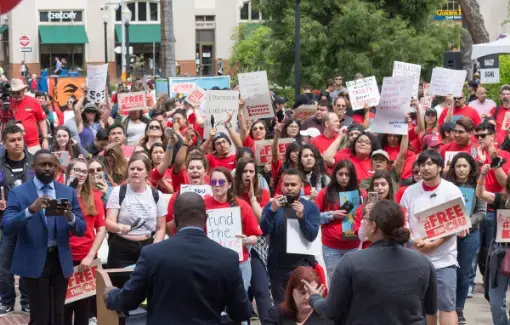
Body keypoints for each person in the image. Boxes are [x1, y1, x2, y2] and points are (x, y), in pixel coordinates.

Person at [104, 192, 252, 325]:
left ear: (174, 220)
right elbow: (241, 312)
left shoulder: (152, 254)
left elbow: (128, 300)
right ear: (206, 219)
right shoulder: (228, 258)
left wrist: (110, 295)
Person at [302, 200, 438, 325]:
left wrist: (315, 298)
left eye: (365, 219)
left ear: (373, 226)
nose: (363, 223)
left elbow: (330, 311)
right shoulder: (423, 262)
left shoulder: (351, 262)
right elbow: (431, 312)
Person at [2, 149, 86, 325]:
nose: (47, 168)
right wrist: (29, 211)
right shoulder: (20, 192)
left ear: (56, 167)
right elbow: (7, 226)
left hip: (60, 259)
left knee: (59, 314)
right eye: (42, 164)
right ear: (33, 167)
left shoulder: (67, 192)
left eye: (51, 165)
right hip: (34, 259)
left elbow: (81, 228)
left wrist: (70, 217)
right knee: (41, 315)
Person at [400, 150, 464, 325]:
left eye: (430, 164)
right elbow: (403, 220)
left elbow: (456, 224)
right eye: (422, 164)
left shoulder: (452, 191)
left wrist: (435, 243)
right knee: (423, 308)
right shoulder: (409, 192)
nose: (425, 168)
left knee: (447, 306)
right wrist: (413, 240)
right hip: (416, 257)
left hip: (444, 259)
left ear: (440, 167)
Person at [260, 168, 320, 305]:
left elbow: (312, 236)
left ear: (300, 186)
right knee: (282, 309)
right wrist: (271, 211)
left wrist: (302, 218)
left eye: (293, 184)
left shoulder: (310, 207)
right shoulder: (272, 206)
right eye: (286, 184)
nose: (289, 188)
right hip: (278, 269)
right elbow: (263, 231)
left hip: (303, 268)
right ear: (281, 186)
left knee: (304, 307)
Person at [105, 154, 167, 272]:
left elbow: (161, 228)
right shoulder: (118, 191)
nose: (135, 172)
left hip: (147, 246)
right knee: (119, 286)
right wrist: (119, 227)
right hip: (121, 248)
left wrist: (155, 247)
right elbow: (108, 222)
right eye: (132, 169)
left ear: (147, 173)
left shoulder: (156, 195)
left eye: (139, 169)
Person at [444, 152, 486, 324]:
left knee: (463, 273)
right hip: (448, 234)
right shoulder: (446, 186)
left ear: (471, 168)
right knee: (448, 272)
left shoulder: (477, 186)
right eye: (458, 166)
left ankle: (459, 309)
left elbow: (481, 212)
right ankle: (447, 306)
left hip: (470, 234)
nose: (461, 169)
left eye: (464, 166)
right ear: (453, 168)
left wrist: (467, 223)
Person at [64, 158, 106, 325]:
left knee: (83, 309)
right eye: (76, 170)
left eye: (84, 171)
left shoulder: (95, 197)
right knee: (64, 307)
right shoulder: (61, 195)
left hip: (86, 259)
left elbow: (101, 229)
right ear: (69, 172)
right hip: (63, 257)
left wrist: (90, 256)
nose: (80, 174)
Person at [0, 124, 31, 315]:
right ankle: (6, 300)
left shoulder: (35, 161)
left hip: (31, 221)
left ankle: (27, 300)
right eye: (12, 140)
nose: (17, 143)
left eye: (19, 139)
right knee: (4, 264)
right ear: (4, 143)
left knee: (28, 262)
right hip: (7, 222)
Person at [263, 266, 331, 325]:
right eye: (302, 292)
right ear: (292, 292)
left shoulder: (327, 318)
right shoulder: (276, 314)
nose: (307, 297)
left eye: (311, 293)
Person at [9, 78, 49, 153]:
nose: (15, 95)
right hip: (14, 144)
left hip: (33, 144)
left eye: (18, 92)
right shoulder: (9, 103)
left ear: (23, 90)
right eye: (13, 93)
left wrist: (45, 139)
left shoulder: (33, 101)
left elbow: (42, 120)